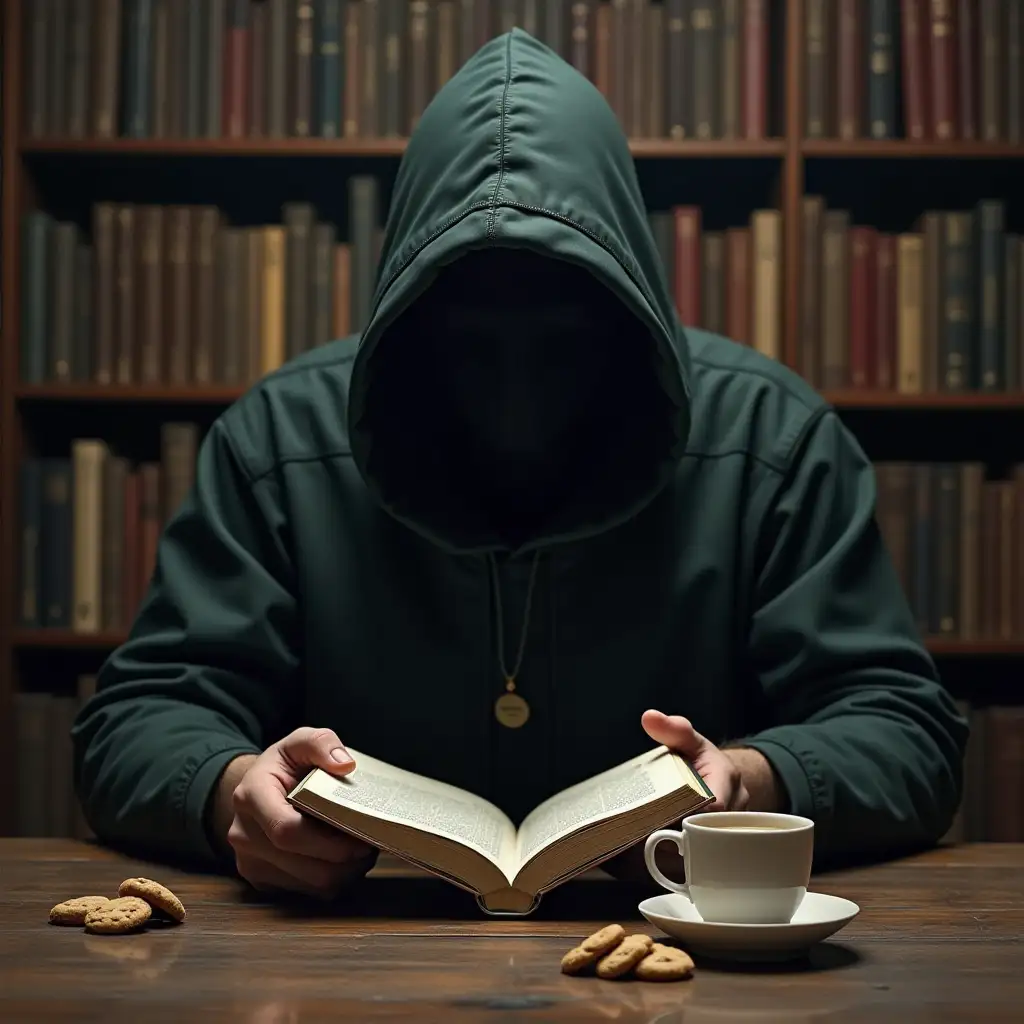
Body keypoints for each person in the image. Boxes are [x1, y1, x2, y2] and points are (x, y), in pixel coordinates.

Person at [72, 31, 967, 899]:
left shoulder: (773, 439)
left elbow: (905, 732)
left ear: (629, 327)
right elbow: (134, 720)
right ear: (407, 332)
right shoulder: (278, 440)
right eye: (470, 348)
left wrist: (748, 784)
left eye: (562, 347)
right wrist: (235, 792)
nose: (514, 399)